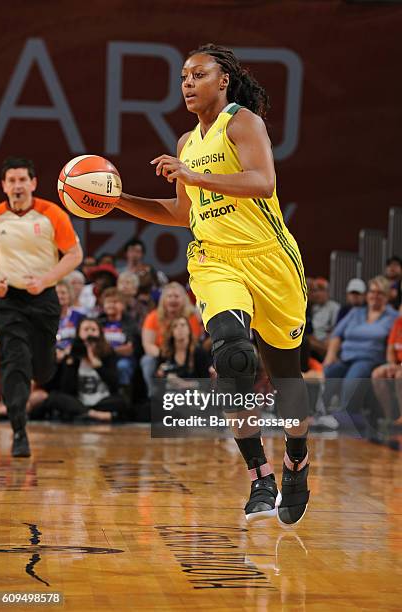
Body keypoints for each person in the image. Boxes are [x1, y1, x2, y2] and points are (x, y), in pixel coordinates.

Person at [114, 44, 310, 526]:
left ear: (222, 81)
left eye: (197, 75)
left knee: (285, 376)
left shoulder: (242, 122)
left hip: (270, 261)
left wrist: (194, 174)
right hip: (215, 260)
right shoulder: (186, 143)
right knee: (232, 358)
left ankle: (296, 461)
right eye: (183, 76)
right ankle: (259, 474)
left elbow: (263, 182)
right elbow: (182, 214)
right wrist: (119, 201)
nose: (186, 83)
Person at [0, 157, 83, 457]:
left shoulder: (51, 213)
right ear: (4, 186)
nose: (17, 186)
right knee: (14, 361)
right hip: (8, 300)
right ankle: (19, 429)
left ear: (32, 183)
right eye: (12, 181)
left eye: (23, 180)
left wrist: (46, 280)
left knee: (43, 370)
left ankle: (43, 371)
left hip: (43, 297)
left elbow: (74, 254)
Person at [323, 276, 398, 414]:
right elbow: (336, 335)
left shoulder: (393, 317)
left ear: (387, 296)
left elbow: (394, 341)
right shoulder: (356, 312)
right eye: (372, 292)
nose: (375, 296)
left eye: (379, 293)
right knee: (328, 373)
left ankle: (345, 415)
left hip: (370, 359)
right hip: (346, 358)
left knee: (352, 378)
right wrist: (330, 356)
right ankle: (318, 414)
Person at [31, 318, 127, 423]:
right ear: (79, 333)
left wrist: (98, 366)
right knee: (54, 398)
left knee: (123, 401)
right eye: (86, 329)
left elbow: (115, 384)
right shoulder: (73, 355)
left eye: (93, 329)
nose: (90, 332)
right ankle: (93, 414)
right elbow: (66, 389)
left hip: (102, 402)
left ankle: (83, 413)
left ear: (100, 333)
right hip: (79, 401)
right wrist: (70, 364)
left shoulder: (108, 353)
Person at [141, 282, 202, 395]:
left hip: (186, 354)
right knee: (147, 360)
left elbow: (194, 341)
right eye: (169, 296)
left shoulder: (192, 317)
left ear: (184, 299)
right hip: (161, 355)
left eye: (176, 296)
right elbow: (148, 344)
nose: (173, 300)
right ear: (163, 299)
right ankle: (153, 395)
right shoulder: (153, 317)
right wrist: (164, 356)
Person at [156, 316, 213, 382]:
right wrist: (161, 374)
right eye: (175, 326)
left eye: (183, 325)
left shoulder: (199, 352)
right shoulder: (165, 353)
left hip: (195, 391)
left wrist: (182, 383)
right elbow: (157, 380)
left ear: (189, 330)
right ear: (171, 332)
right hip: (170, 391)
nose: (179, 328)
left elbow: (205, 382)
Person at [371, 310, 402, 426]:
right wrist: (392, 365)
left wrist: (399, 368)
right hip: (397, 364)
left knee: (400, 375)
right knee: (377, 374)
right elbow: (390, 348)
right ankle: (388, 417)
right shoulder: (399, 322)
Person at [307, 278, 340, 362]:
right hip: (313, 338)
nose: (318, 294)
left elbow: (336, 328)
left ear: (327, 292)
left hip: (325, 339)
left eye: (321, 290)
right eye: (315, 291)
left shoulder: (334, 307)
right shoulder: (312, 307)